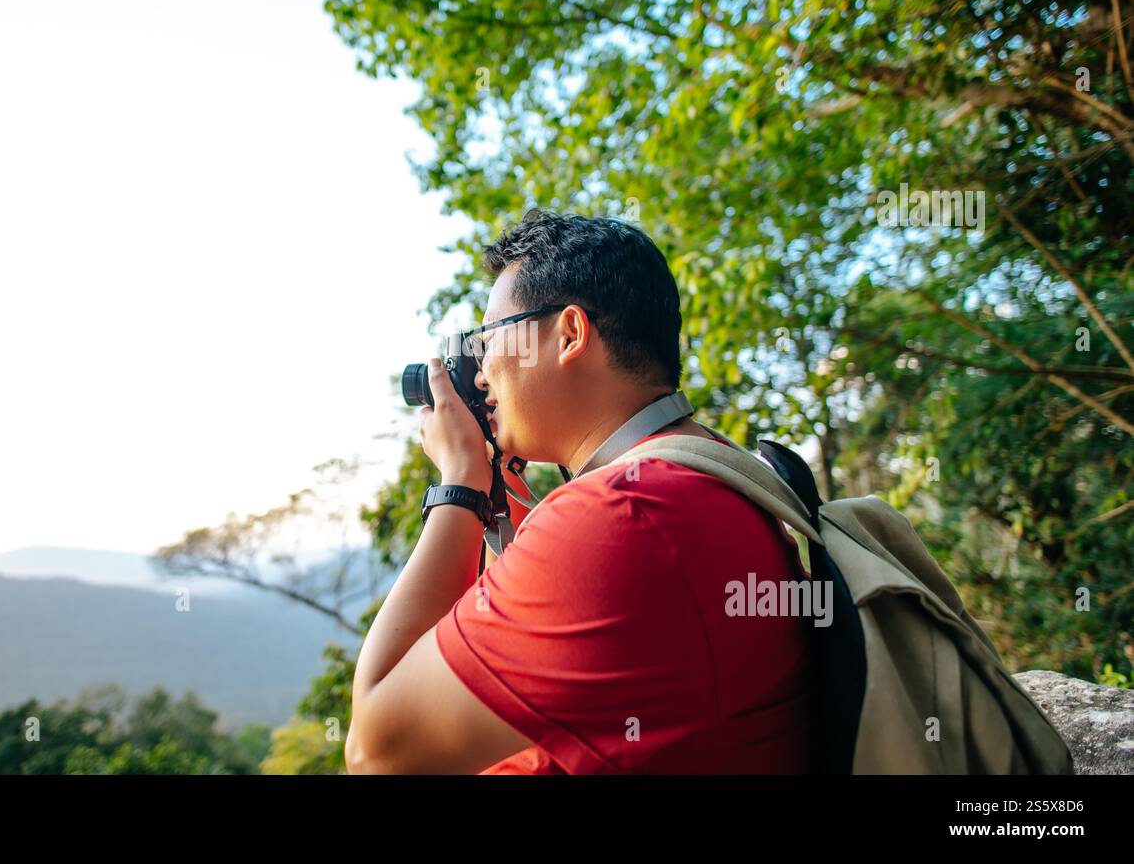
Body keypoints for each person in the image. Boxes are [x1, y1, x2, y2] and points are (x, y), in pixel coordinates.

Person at [345, 209, 815, 774]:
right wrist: (498, 512)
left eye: (489, 338)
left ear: (570, 334)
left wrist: (461, 483)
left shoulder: (620, 515)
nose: (481, 369)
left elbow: (378, 752)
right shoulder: (712, 477)